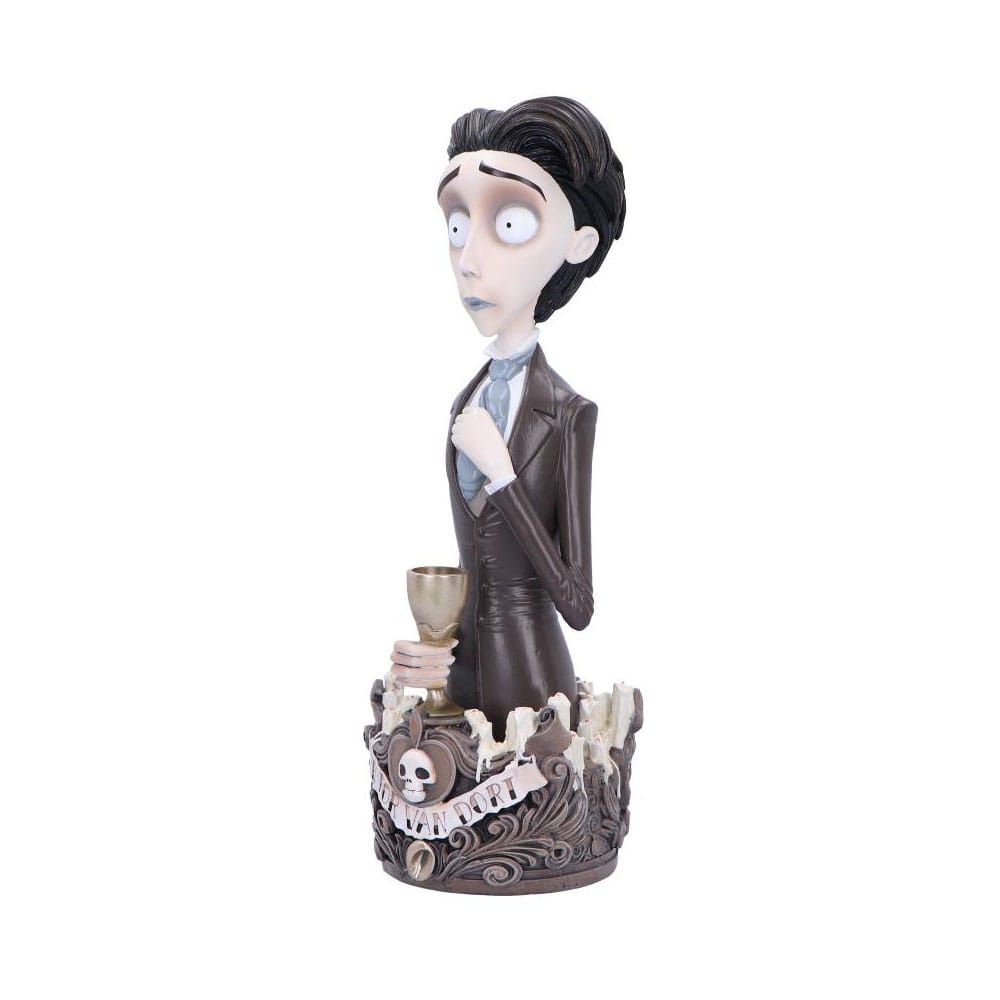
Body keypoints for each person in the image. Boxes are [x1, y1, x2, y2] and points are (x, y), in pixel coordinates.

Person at [389, 97, 626, 736]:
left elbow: (577, 603)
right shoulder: (464, 402)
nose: (468, 259)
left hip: (533, 696)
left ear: (578, 243)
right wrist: (434, 653)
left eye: (512, 223)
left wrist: (503, 475)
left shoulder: (569, 414)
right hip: (460, 688)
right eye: (457, 226)